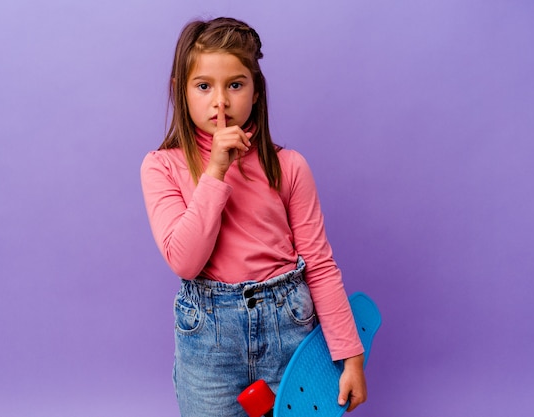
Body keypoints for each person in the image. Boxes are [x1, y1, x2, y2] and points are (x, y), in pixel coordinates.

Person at [141, 17, 367, 416]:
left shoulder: (289, 166)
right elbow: (185, 260)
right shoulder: (161, 167)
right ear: (182, 92)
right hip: (210, 341)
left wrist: (350, 355)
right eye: (204, 85)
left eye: (235, 84)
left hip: (289, 330)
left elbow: (319, 263)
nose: (220, 101)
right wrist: (215, 171)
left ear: (256, 92)